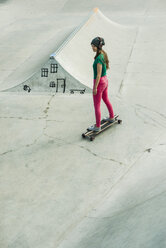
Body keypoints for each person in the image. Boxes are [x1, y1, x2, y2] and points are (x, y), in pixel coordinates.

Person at [88, 37, 115, 132]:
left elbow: (98, 74)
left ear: (98, 46)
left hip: (99, 83)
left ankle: (97, 126)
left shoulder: (99, 58)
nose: (92, 47)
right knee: (106, 99)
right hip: (105, 80)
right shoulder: (102, 54)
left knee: (97, 105)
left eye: (93, 46)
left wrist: (95, 88)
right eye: (92, 45)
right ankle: (111, 117)